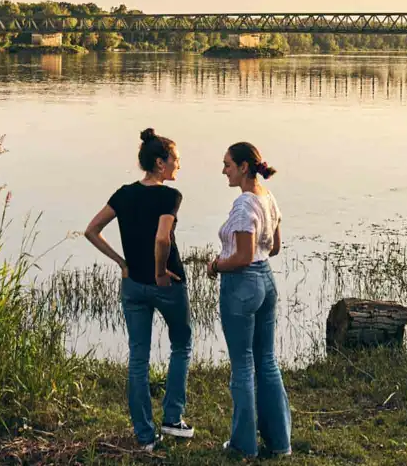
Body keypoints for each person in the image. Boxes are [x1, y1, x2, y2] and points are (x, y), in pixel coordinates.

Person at [83, 128, 195, 451]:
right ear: (160, 163)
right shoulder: (168, 197)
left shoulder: (123, 193)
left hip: (132, 285)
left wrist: (122, 262)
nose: (178, 165)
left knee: (138, 358)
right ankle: (172, 419)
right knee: (181, 344)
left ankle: (145, 437)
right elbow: (163, 238)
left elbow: (91, 230)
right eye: (175, 160)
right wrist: (160, 273)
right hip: (167, 284)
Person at [205, 141, 289, 458]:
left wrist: (215, 265)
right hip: (266, 280)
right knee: (267, 362)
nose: (223, 170)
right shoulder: (269, 199)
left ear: (243, 167)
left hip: (242, 284)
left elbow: (241, 257)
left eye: (227, 164)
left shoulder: (243, 205)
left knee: (242, 366)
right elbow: (276, 247)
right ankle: (280, 443)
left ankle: (244, 445)